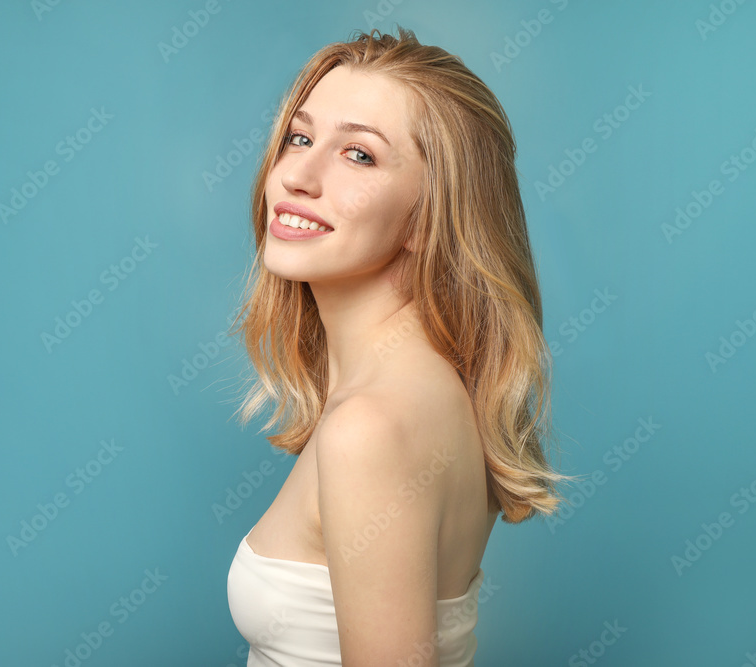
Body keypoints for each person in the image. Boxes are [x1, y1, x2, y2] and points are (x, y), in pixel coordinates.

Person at [226, 25, 573, 666]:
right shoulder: (432, 390)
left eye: (359, 155)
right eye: (299, 138)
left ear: (428, 214)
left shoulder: (370, 428)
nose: (297, 175)